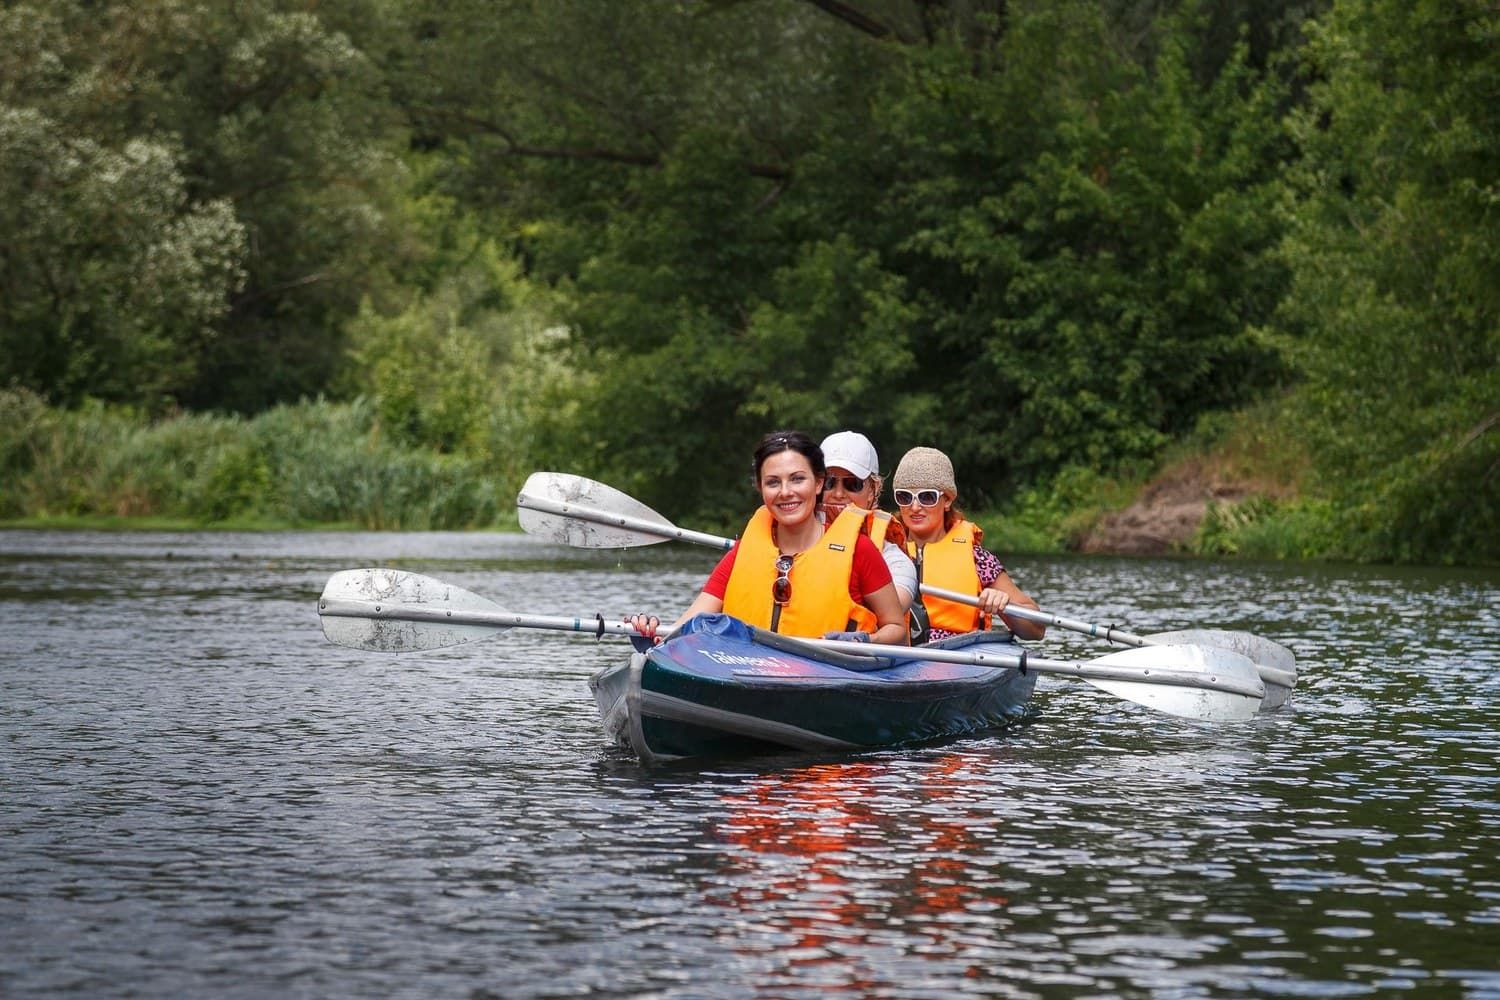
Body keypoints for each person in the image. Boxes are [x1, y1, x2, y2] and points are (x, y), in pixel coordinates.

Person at [627, 430, 908, 647]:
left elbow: (896, 627)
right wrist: (656, 640)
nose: (786, 492)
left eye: (797, 479)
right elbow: (689, 623)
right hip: (746, 671)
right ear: (760, 488)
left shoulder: (863, 551)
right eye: (773, 482)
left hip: (830, 671)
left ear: (815, 483)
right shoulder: (747, 549)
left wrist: (864, 642)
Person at [891, 446, 1046, 643]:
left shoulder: (977, 559)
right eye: (905, 497)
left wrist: (1003, 605)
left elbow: (1037, 630)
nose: (914, 507)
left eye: (926, 497)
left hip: (959, 655)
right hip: (896, 654)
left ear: (946, 500)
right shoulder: (885, 550)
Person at [818, 430, 918, 622]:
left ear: (873, 490)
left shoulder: (893, 559)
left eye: (853, 484)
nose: (838, 493)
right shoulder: (790, 538)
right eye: (829, 482)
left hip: (856, 649)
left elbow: (894, 610)